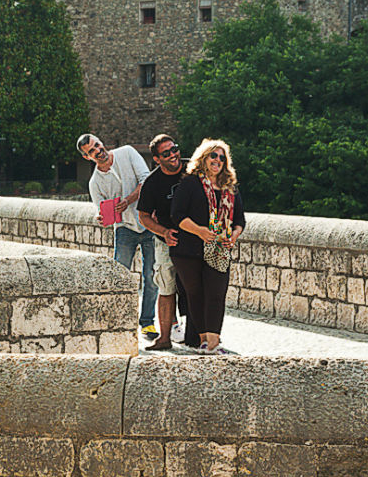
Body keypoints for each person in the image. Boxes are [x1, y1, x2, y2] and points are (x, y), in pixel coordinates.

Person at [78, 133, 159, 340]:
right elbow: (100, 210)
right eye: (92, 151)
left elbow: (148, 181)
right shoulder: (95, 183)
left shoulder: (128, 152)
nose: (98, 150)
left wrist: (129, 199)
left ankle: (147, 323)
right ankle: (119, 322)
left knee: (151, 276)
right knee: (119, 277)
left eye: (97, 145)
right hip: (124, 228)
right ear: (87, 157)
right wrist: (101, 216)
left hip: (149, 222)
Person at [170, 139, 245, 354]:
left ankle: (213, 342)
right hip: (188, 250)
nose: (218, 161)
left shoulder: (230, 188)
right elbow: (178, 215)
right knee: (195, 294)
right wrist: (200, 231)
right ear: (203, 158)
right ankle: (203, 340)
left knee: (216, 294)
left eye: (222, 158)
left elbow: (240, 219)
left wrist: (234, 235)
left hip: (219, 250)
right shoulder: (190, 184)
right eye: (214, 156)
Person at [137, 134, 193, 351]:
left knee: (198, 287)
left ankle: (201, 336)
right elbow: (143, 216)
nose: (173, 155)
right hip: (166, 241)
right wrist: (163, 232)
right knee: (166, 287)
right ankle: (164, 338)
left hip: (195, 238)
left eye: (174, 149)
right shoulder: (152, 183)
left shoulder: (192, 169)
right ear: (157, 159)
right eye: (166, 153)